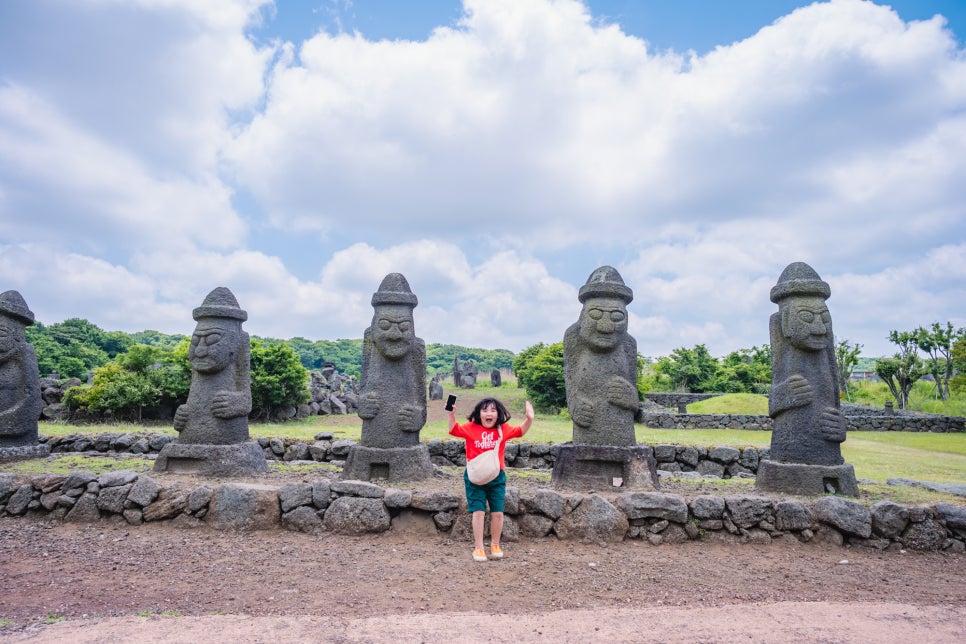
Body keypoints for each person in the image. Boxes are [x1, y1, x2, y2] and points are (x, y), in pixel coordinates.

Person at [448, 397, 534, 562]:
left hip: (496, 477)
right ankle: (479, 548)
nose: (489, 413)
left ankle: (495, 544)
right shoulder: (470, 427)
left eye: (493, 410)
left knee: (498, 513)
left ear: (498, 414)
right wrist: (451, 414)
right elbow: (453, 429)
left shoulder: (503, 429)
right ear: (479, 414)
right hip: (475, 478)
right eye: (485, 410)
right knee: (478, 512)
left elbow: (520, 431)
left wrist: (529, 419)